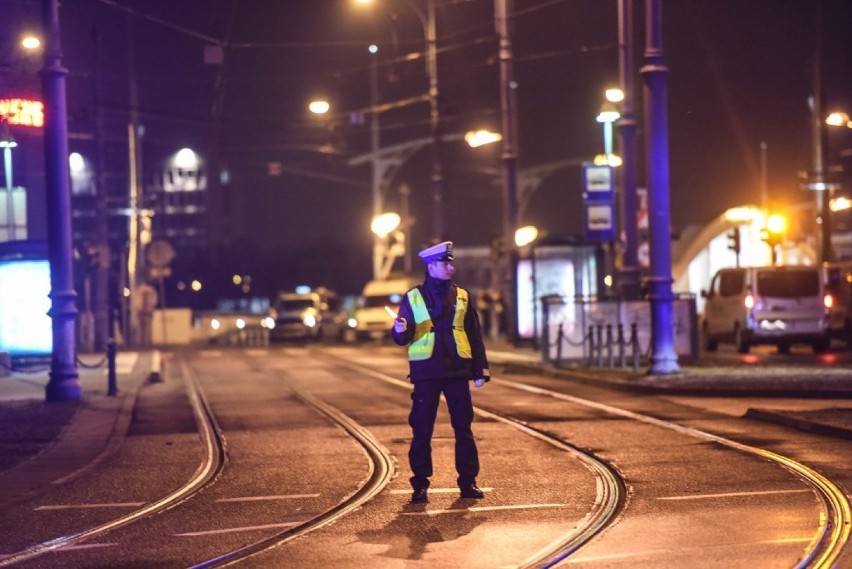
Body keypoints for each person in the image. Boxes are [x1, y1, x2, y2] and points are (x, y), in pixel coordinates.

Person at [391, 240, 490, 503]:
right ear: (431, 266)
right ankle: (420, 484)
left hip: (457, 371)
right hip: (426, 373)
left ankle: (468, 482)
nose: (450, 268)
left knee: (464, 429)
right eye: (445, 264)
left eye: (451, 263)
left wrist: (480, 369)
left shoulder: (462, 295)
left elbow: (473, 334)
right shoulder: (413, 297)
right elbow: (402, 334)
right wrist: (400, 331)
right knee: (422, 430)